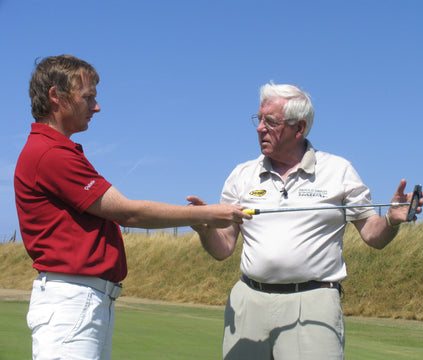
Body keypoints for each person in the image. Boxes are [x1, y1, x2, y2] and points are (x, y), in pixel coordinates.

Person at [14, 54, 251, 360]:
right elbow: (129, 213)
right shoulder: (51, 154)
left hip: (85, 300)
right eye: (88, 98)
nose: (95, 107)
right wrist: (206, 214)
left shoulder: (54, 150)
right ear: (55, 96)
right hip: (72, 301)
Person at [189, 82, 423, 360]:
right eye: (259, 119)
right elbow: (223, 248)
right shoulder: (241, 175)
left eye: (271, 121)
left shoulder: (339, 171)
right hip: (248, 302)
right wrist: (206, 231)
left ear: (299, 128)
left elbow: (373, 235)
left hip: (314, 303)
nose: (259, 128)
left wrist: (391, 220)